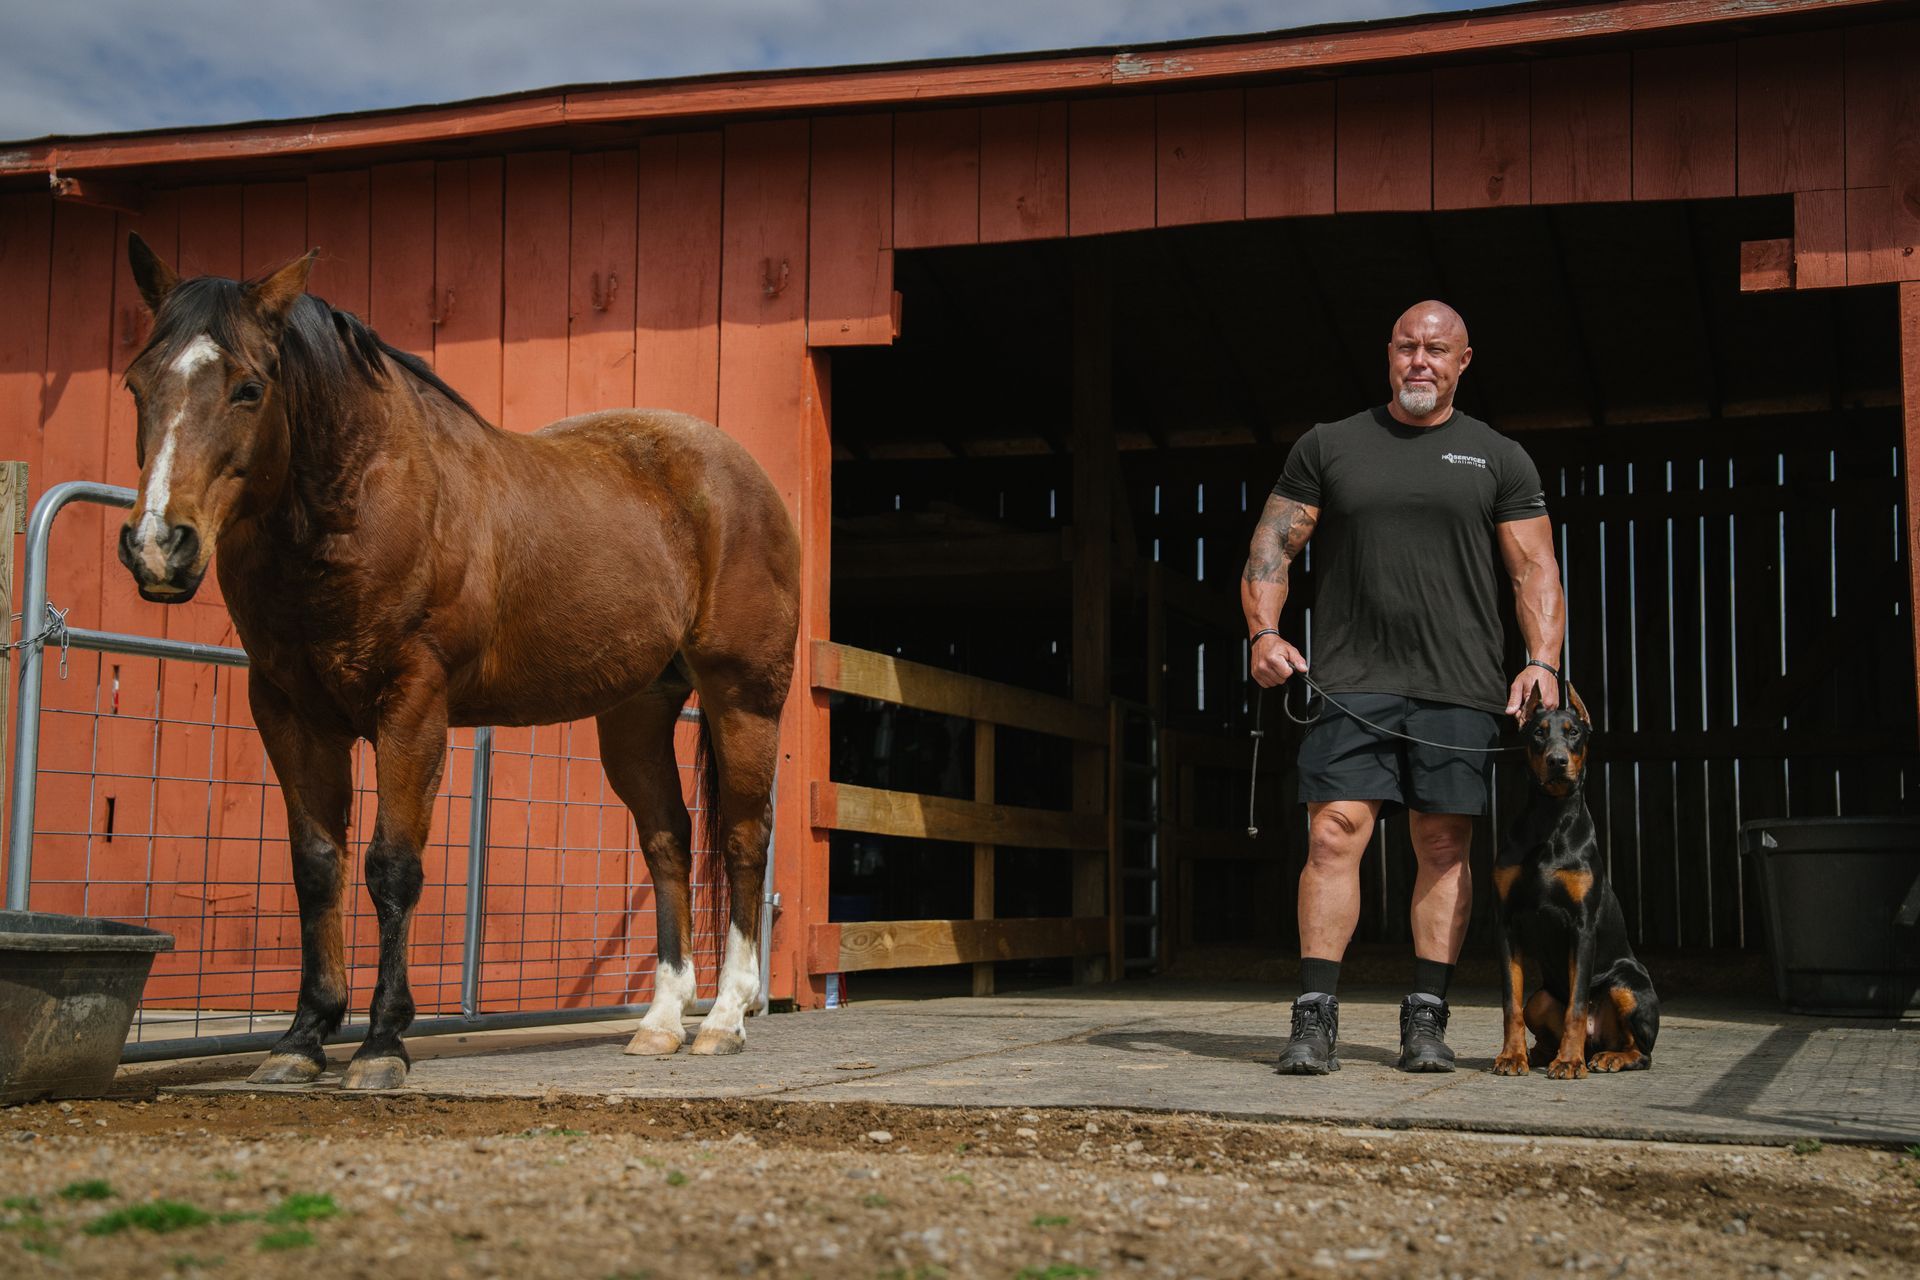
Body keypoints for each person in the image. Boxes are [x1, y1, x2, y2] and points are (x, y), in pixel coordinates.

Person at [1240, 300, 1565, 1075]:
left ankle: (1427, 1020)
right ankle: (1314, 1018)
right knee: (1331, 836)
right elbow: (1272, 545)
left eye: (1436, 349)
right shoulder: (1332, 445)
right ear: (1388, 354)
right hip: (1351, 680)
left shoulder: (1498, 457)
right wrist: (1263, 632)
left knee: (1445, 845)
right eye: (1407, 347)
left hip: (1458, 684)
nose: (1420, 360)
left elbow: (1534, 568)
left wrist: (1544, 660)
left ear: (1463, 361)